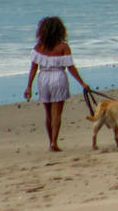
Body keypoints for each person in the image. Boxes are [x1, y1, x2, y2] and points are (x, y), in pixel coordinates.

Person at [23, 16, 89, 152]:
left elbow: (33, 68)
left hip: (43, 78)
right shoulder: (63, 47)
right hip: (59, 77)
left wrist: (29, 85)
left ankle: (50, 142)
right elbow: (70, 67)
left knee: (48, 113)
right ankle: (54, 142)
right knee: (57, 113)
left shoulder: (38, 47)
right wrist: (82, 83)